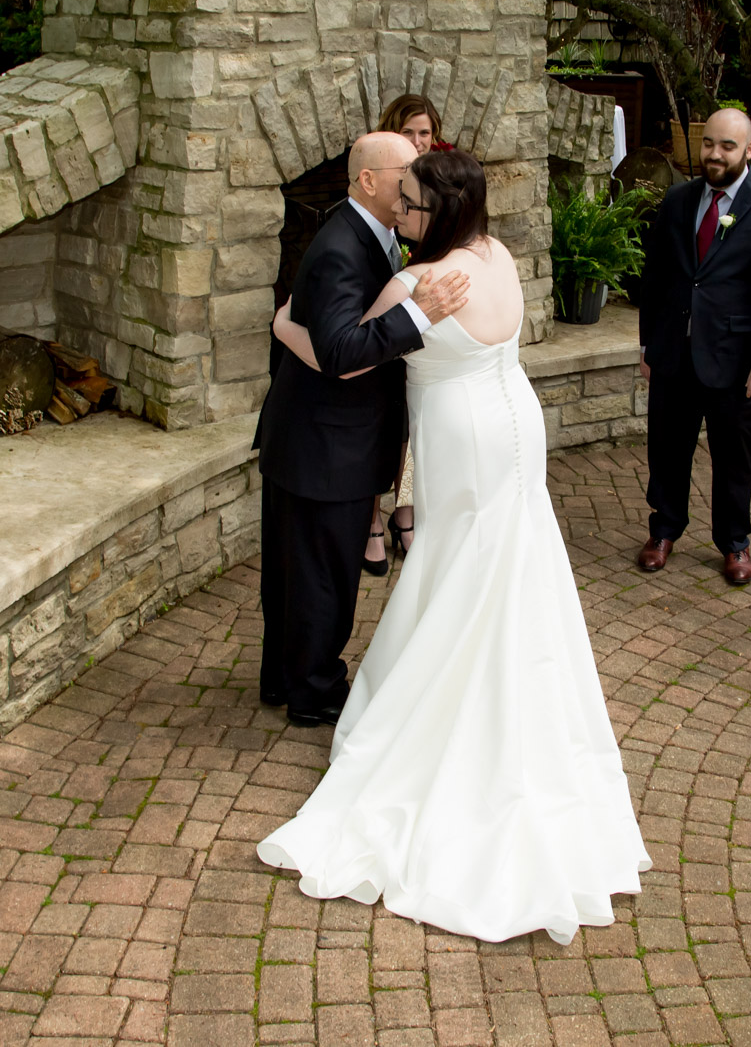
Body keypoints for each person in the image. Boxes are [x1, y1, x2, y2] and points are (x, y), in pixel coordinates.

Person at [257, 149, 650, 944]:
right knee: (508, 559)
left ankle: (445, 708)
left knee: (461, 567)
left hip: (461, 435)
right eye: (397, 197)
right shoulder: (496, 254)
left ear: (439, 211)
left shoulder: (417, 286)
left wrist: (284, 323)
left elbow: (340, 353)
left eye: (411, 203)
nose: (400, 213)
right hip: (514, 420)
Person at [255, 132, 468, 728]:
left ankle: (285, 678)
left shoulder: (369, 237)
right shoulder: (341, 247)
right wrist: (420, 314)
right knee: (322, 578)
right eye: (407, 168)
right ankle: (315, 693)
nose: (415, 177)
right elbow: (343, 351)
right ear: (369, 180)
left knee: (299, 573)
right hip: (324, 446)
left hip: (315, 439)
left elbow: (316, 333)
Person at [635, 108, 751, 585]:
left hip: (734, 362)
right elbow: (657, 278)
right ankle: (663, 530)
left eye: (727, 146)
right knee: (666, 449)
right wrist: (649, 343)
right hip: (674, 355)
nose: (714, 154)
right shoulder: (677, 200)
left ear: (748, 150)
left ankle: (735, 544)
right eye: (709, 143)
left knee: (733, 457)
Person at [359, 94, 454, 575]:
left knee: (412, 429)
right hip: (383, 325)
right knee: (383, 424)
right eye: (409, 133)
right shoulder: (387, 197)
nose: (418, 142)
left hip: (420, 329)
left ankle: (405, 511)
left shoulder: (437, 195)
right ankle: (372, 520)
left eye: (425, 133)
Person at [378, 92, 452, 155]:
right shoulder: (374, 166)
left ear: (433, 135)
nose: (416, 142)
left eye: (424, 133)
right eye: (407, 132)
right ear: (391, 132)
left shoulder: (447, 169)